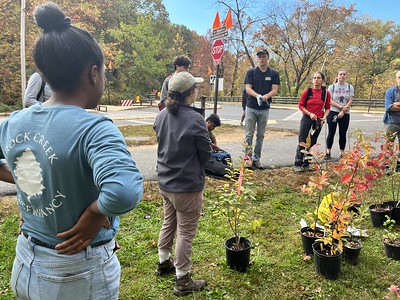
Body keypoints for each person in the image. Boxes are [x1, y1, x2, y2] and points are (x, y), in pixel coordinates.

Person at [0, 3, 143, 300]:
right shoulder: (95, 128)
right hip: (77, 274)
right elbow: (124, 190)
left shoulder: (14, 122)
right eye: (104, 72)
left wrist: (31, 182)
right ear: (93, 74)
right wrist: (94, 213)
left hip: (26, 262)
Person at [154, 71, 210, 297]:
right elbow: (205, 155)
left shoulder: (160, 117)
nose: (197, 91)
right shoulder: (196, 119)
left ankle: (163, 262)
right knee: (185, 233)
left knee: (169, 222)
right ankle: (182, 280)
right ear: (189, 94)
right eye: (195, 88)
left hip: (165, 183)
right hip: (187, 186)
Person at [244, 49, 280, 169]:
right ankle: (247, 159)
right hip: (251, 107)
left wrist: (266, 97)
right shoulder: (252, 72)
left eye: (263, 57)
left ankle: (256, 159)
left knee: (260, 135)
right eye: (259, 57)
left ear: (267, 58)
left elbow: (275, 90)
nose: (261, 59)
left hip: (265, 108)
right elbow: (248, 88)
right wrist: (257, 95)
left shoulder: (273, 74)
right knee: (249, 134)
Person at [294, 71, 331, 172]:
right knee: (302, 141)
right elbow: (300, 105)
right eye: (314, 78)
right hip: (307, 118)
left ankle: (307, 163)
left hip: (318, 120)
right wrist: (309, 113)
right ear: (312, 80)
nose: (316, 80)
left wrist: (324, 118)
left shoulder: (326, 93)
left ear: (322, 80)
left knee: (313, 142)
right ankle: (298, 163)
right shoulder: (308, 92)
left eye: (319, 78)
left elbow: (328, 108)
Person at [325, 69, 354, 159]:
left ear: (346, 76)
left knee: (343, 133)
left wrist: (343, 110)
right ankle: (328, 152)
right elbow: (329, 100)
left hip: (345, 113)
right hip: (333, 111)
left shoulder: (349, 87)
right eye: (340, 74)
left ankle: (342, 153)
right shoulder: (332, 87)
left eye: (344, 74)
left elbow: (350, 100)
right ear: (337, 76)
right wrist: (340, 107)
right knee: (331, 132)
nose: (342, 76)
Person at [384, 70, 400, 166]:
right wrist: (393, 105)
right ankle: (387, 165)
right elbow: (389, 107)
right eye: (399, 77)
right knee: (389, 144)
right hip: (391, 121)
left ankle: (398, 165)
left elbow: (393, 106)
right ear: (396, 78)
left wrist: (396, 104)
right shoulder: (390, 91)